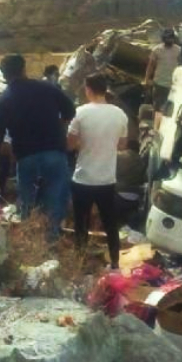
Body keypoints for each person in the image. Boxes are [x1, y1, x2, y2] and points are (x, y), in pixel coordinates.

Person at [0, 54, 76, 236]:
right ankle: (52, 242)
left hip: (26, 159)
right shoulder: (48, 89)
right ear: (24, 68)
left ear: (4, 75)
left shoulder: (2, 102)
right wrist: (59, 128)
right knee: (56, 201)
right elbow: (70, 110)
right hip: (54, 154)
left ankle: (31, 242)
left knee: (28, 204)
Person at [67, 73, 129, 269]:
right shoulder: (120, 114)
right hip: (106, 179)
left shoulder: (81, 112)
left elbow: (70, 144)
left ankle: (79, 263)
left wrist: (84, 144)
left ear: (89, 89)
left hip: (83, 178)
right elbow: (122, 145)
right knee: (110, 223)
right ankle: (116, 264)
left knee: (81, 224)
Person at [144, 28, 181, 112]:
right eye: (167, 38)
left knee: (171, 110)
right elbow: (150, 66)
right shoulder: (157, 50)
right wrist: (146, 79)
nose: (169, 40)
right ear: (163, 38)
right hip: (159, 84)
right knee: (157, 109)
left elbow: (181, 67)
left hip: (173, 85)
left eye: (171, 38)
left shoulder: (179, 50)